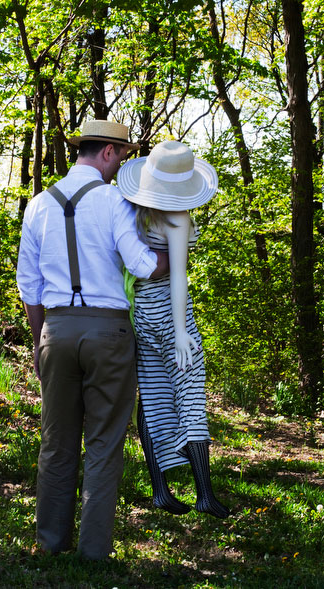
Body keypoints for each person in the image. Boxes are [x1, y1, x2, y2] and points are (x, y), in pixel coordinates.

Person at [16, 120, 169, 560]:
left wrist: (39, 338)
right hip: (109, 332)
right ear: (107, 152)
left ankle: (50, 544)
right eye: (120, 156)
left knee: (56, 441)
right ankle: (93, 554)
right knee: (103, 443)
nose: (120, 164)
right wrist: (171, 255)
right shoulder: (113, 201)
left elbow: (29, 285)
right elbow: (141, 266)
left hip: (56, 330)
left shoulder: (39, 204)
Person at [116, 140, 229, 519]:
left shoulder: (135, 209)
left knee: (151, 396)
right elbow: (178, 275)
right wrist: (181, 330)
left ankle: (161, 491)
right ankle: (205, 495)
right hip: (169, 315)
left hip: (139, 314)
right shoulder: (177, 216)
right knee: (190, 397)